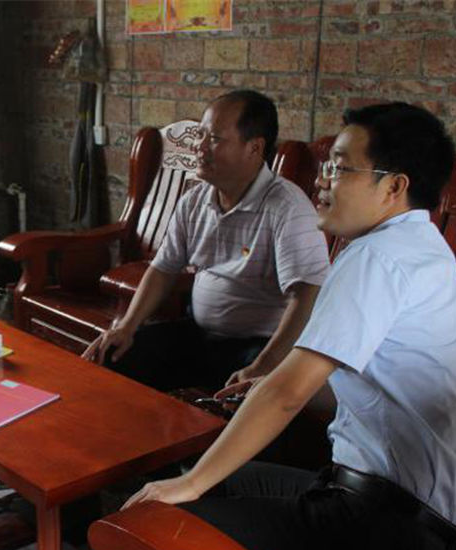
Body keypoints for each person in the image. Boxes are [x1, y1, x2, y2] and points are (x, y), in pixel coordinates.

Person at [122, 102, 456, 550]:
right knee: (205, 478)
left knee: (159, 524)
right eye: (328, 165)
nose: (322, 179)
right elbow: (366, 389)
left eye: (341, 167)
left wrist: (190, 484)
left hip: (386, 537)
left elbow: (288, 392)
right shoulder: (418, 245)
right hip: (401, 522)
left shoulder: (377, 257)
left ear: (393, 186)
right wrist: (261, 390)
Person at [83, 90, 330, 392]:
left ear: (254, 148)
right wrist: (126, 326)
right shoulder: (195, 200)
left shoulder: (287, 207)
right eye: (200, 135)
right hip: (199, 334)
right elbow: (163, 269)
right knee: (114, 355)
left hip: (257, 346)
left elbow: (308, 293)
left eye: (213, 139)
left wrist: (265, 365)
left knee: (242, 395)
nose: (199, 148)